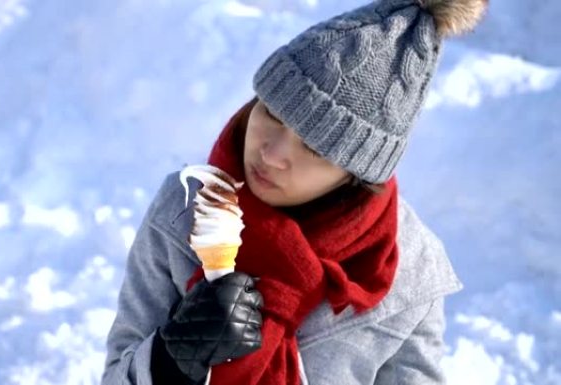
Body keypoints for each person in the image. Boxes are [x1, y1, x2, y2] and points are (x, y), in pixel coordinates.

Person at [101, 0, 488, 384]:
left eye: (315, 147)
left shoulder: (410, 275)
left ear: (356, 173)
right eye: (273, 112)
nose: (271, 154)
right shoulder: (184, 208)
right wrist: (174, 357)